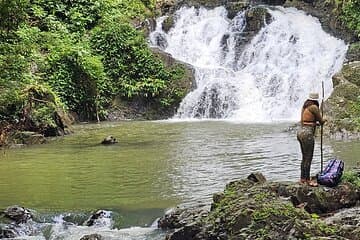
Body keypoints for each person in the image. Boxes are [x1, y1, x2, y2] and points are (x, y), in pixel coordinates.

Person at [297, 93, 326, 186]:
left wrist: (315, 124)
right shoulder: (314, 107)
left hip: (300, 132)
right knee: (308, 157)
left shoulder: (305, 107)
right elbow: (321, 120)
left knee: (304, 157)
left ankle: (302, 179)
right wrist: (325, 120)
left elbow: (306, 121)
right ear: (315, 100)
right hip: (307, 134)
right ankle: (308, 180)